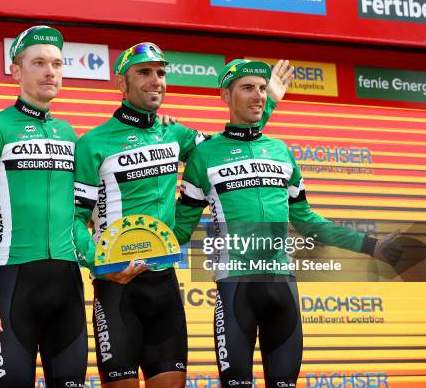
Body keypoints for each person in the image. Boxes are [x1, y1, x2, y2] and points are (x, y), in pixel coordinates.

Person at [73, 43, 293, 387]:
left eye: (161, 73)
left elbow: (229, 147)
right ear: (122, 84)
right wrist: (97, 264)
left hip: (164, 286)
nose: (155, 80)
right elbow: (74, 220)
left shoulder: (176, 134)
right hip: (117, 289)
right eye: (144, 73)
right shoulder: (92, 143)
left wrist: (268, 103)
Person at [173, 59, 402, 388]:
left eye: (263, 89)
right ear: (225, 95)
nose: (259, 96)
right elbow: (181, 228)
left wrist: (371, 245)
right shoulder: (205, 155)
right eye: (248, 88)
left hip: (283, 287)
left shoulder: (281, 152)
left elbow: (308, 221)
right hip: (235, 287)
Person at [0, 25, 87, 388]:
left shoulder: (68, 133)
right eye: (40, 63)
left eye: (58, 64)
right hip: (13, 283)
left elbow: (82, 212)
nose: (51, 72)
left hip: (67, 283)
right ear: (16, 71)